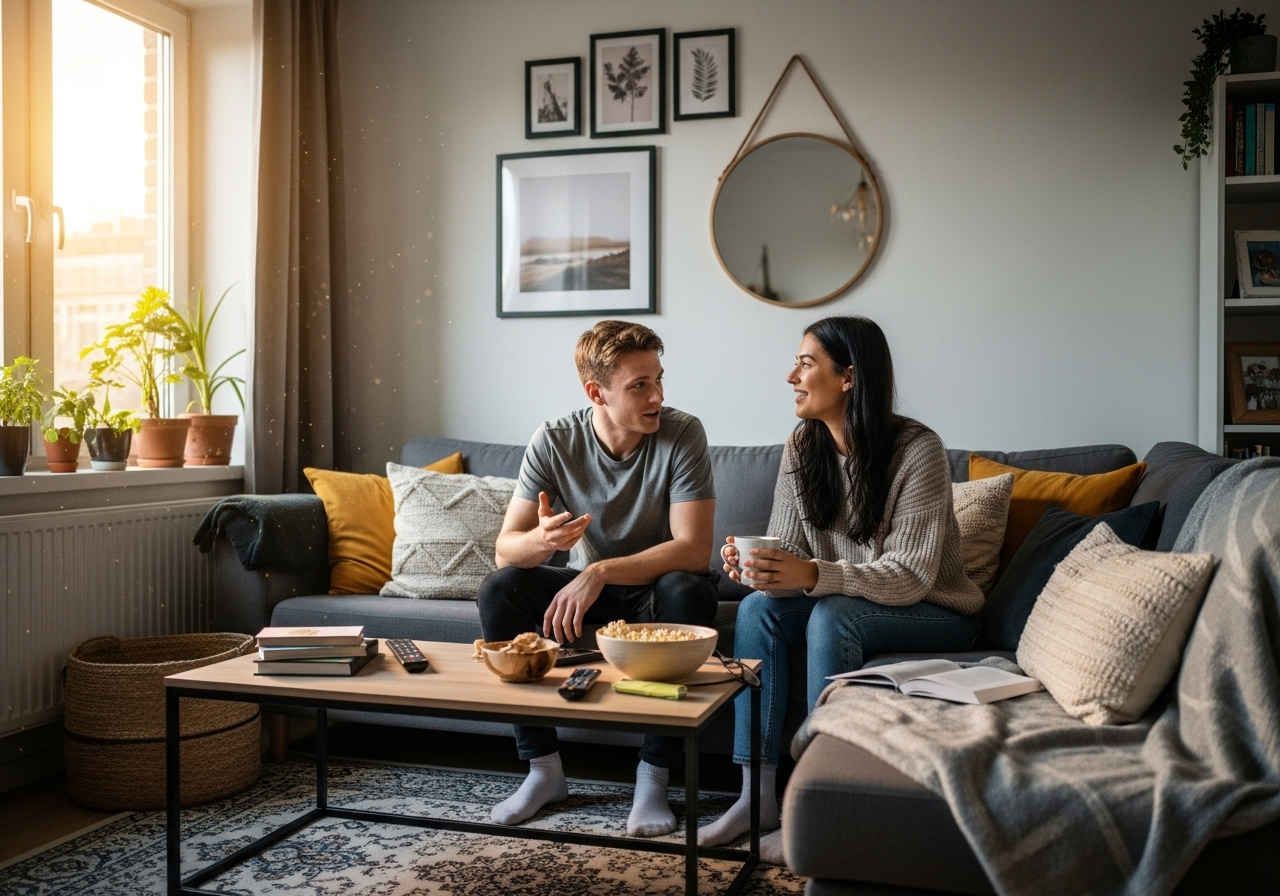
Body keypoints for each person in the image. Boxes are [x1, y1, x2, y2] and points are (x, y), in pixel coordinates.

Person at [696, 315, 984, 859]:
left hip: (936, 610)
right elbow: (790, 550)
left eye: (806, 364)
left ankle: (817, 802)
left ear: (848, 377)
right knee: (756, 610)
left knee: (833, 616)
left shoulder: (917, 450)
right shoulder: (802, 446)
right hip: (847, 600)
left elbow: (911, 574)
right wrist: (762, 570)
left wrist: (812, 575)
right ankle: (756, 798)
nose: (791, 377)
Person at [477, 320, 718, 838]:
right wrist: (543, 540)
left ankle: (653, 779)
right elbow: (505, 550)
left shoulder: (683, 433)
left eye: (659, 379)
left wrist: (598, 570)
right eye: (640, 385)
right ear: (596, 393)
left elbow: (694, 550)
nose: (657, 396)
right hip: (591, 597)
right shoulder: (554, 439)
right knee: (500, 588)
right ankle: (543, 771)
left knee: (686, 587)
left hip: (657, 591)